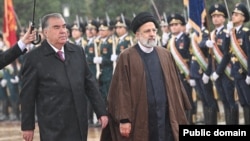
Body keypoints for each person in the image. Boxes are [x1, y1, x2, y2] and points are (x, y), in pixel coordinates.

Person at [100, 11, 191, 141]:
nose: (152, 34)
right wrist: (124, 119)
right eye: (147, 31)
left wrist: (180, 111)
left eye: (154, 30)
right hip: (140, 118)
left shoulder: (165, 55)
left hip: (165, 116)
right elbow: (121, 91)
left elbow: (175, 87)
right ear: (138, 34)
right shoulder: (127, 57)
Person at [20, 13, 108, 141]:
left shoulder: (77, 52)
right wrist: (28, 126)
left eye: (64, 26)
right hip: (53, 125)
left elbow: (90, 84)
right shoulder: (34, 58)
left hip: (78, 121)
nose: (63, 31)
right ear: (45, 32)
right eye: (56, 27)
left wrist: (101, 111)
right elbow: (27, 95)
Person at [208, 4, 239, 124]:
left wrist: (217, 72)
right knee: (224, 101)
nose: (215, 18)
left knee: (231, 102)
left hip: (226, 72)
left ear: (224, 18)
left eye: (218, 16)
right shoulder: (212, 34)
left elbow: (226, 54)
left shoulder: (227, 33)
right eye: (214, 16)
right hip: (217, 73)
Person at [167, 13, 196, 124]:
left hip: (185, 74)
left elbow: (191, 56)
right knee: (177, 100)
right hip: (174, 74)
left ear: (181, 25)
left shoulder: (187, 38)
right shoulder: (170, 40)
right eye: (172, 25)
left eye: (176, 24)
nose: (174, 27)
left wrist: (192, 75)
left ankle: (189, 122)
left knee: (187, 99)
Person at [189, 17, 219, 124]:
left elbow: (203, 43)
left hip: (203, 71)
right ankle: (207, 122)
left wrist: (206, 43)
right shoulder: (194, 33)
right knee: (204, 100)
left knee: (209, 100)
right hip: (195, 72)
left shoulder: (205, 32)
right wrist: (191, 75)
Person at [229, 3, 250, 124]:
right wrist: (228, 34)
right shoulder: (232, 33)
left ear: (243, 17)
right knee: (243, 102)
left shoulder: (246, 33)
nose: (233, 16)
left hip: (244, 73)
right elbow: (228, 51)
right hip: (236, 73)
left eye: (236, 15)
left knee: (248, 101)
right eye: (233, 14)